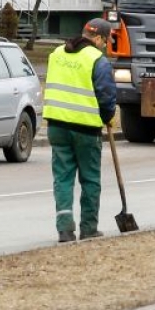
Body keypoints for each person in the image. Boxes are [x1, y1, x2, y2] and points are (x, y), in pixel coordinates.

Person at [43, 18, 118, 243]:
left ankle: (65, 230)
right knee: (90, 180)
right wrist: (108, 118)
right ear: (98, 38)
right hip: (86, 128)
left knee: (63, 179)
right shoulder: (98, 60)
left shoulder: (56, 54)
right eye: (106, 40)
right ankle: (88, 228)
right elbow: (106, 96)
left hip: (56, 126)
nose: (105, 45)